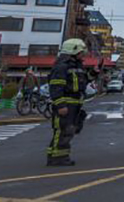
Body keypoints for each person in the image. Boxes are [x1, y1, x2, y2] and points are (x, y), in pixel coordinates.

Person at [47, 38, 89, 166]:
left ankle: (62, 156)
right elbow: (56, 87)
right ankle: (56, 157)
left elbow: (84, 82)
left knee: (69, 130)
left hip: (75, 104)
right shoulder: (62, 66)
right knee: (62, 130)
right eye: (81, 52)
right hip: (66, 103)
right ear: (73, 50)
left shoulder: (77, 66)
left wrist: (94, 73)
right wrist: (60, 104)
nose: (83, 55)